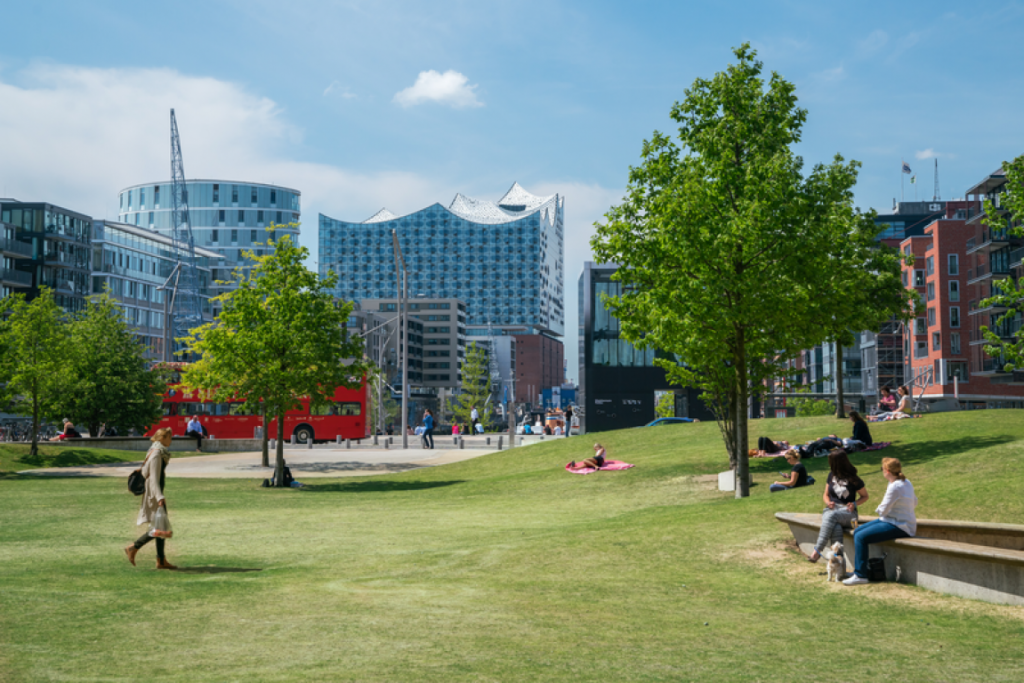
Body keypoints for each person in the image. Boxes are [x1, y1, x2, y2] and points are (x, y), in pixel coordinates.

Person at [844, 458, 917, 585]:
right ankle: (859, 571)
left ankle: (861, 576)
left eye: (882, 469)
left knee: (861, 536)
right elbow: (914, 502)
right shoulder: (905, 482)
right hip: (892, 520)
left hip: (900, 525)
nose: (882, 471)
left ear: (887, 471)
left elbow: (882, 510)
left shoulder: (895, 486)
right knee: (857, 531)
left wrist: (880, 509)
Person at [124, 427, 177, 570]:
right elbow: (153, 478)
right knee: (160, 528)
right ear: (162, 438)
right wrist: (160, 497)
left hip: (156, 493)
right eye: (169, 437)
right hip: (154, 495)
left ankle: (161, 560)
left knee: (161, 526)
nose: (171, 440)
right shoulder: (157, 454)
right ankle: (133, 547)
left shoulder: (159, 451)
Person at [808, 449, 869, 562]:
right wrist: (828, 502)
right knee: (836, 527)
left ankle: (817, 551)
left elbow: (865, 496)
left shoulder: (853, 478)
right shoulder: (831, 475)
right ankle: (839, 563)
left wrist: (854, 504)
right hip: (832, 509)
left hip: (849, 514)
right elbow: (826, 495)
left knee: (832, 517)